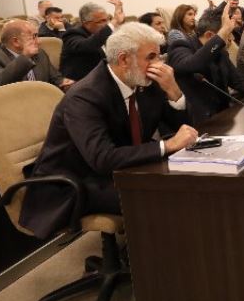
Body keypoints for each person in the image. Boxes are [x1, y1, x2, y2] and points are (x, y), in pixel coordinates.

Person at [19, 23, 197, 239]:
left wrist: (173, 90)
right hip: (75, 181)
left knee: (188, 182)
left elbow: (183, 130)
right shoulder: (85, 96)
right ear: (124, 60)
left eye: (159, 56)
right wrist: (166, 146)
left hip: (119, 167)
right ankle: (155, 257)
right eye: (151, 57)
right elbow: (102, 158)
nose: (159, 65)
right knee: (160, 198)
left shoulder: (144, 81)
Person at [168, 5, 244, 124]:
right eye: (228, 34)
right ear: (210, 35)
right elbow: (194, 64)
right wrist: (223, 32)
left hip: (224, 118)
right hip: (198, 123)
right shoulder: (180, 47)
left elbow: (239, 81)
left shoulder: (220, 52)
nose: (231, 38)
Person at [0, 20, 73, 100]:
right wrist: (25, 57)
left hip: (34, 104)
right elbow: (1, 83)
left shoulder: (39, 53)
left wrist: (64, 83)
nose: (39, 41)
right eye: (34, 36)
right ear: (16, 41)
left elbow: (55, 78)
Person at [60, 0, 125, 81]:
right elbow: (88, 45)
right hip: (80, 82)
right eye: (102, 21)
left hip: (102, 78)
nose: (107, 24)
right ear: (86, 23)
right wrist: (114, 21)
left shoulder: (104, 34)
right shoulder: (72, 34)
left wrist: (119, 16)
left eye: (108, 19)